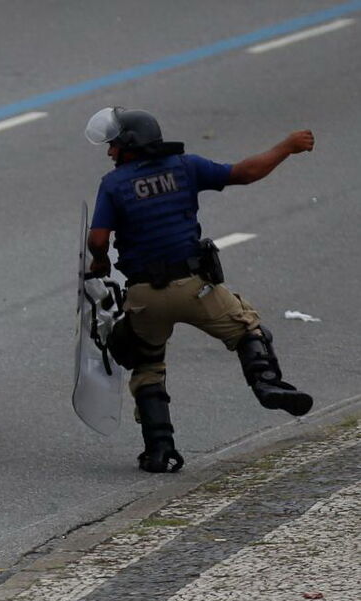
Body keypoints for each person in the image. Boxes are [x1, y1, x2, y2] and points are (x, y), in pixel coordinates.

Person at [84, 107, 314, 473]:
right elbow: (245, 173)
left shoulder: (113, 185)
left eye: (114, 146)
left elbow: (98, 239)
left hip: (145, 298)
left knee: (147, 364)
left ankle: (160, 451)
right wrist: (286, 146)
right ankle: (268, 385)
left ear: (130, 145)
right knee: (248, 329)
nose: (110, 153)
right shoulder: (185, 166)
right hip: (196, 289)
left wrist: (99, 261)